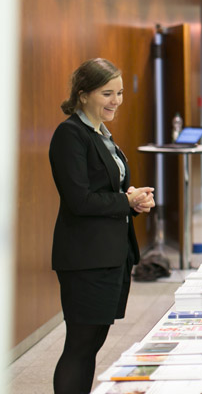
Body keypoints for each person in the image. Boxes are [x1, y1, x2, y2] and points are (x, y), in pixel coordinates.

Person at [49, 58, 155, 394]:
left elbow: (108, 191)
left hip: (110, 254)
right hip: (85, 259)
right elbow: (79, 200)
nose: (116, 101)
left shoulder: (101, 135)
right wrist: (126, 201)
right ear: (82, 95)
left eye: (120, 93)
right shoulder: (70, 135)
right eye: (107, 93)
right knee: (79, 346)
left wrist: (133, 199)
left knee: (92, 344)